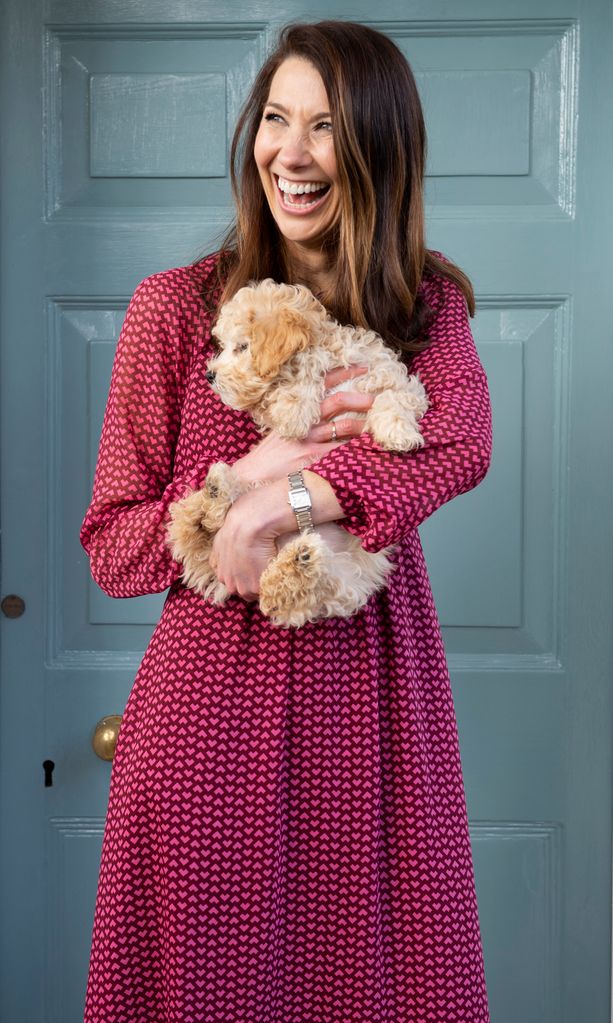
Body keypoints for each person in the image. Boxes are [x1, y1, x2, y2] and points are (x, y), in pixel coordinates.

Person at [80, 20, 492, 1023]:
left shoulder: (422, 303)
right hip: (208, 710)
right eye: (275, 120)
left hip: (377, 706)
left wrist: (283, 498)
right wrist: (235, 481)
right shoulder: (173, 310)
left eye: (326, 128)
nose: (291, 154)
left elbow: (459, 447)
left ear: (377, 155)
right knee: (207, 985)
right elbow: (112, 544)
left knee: (386, 982)